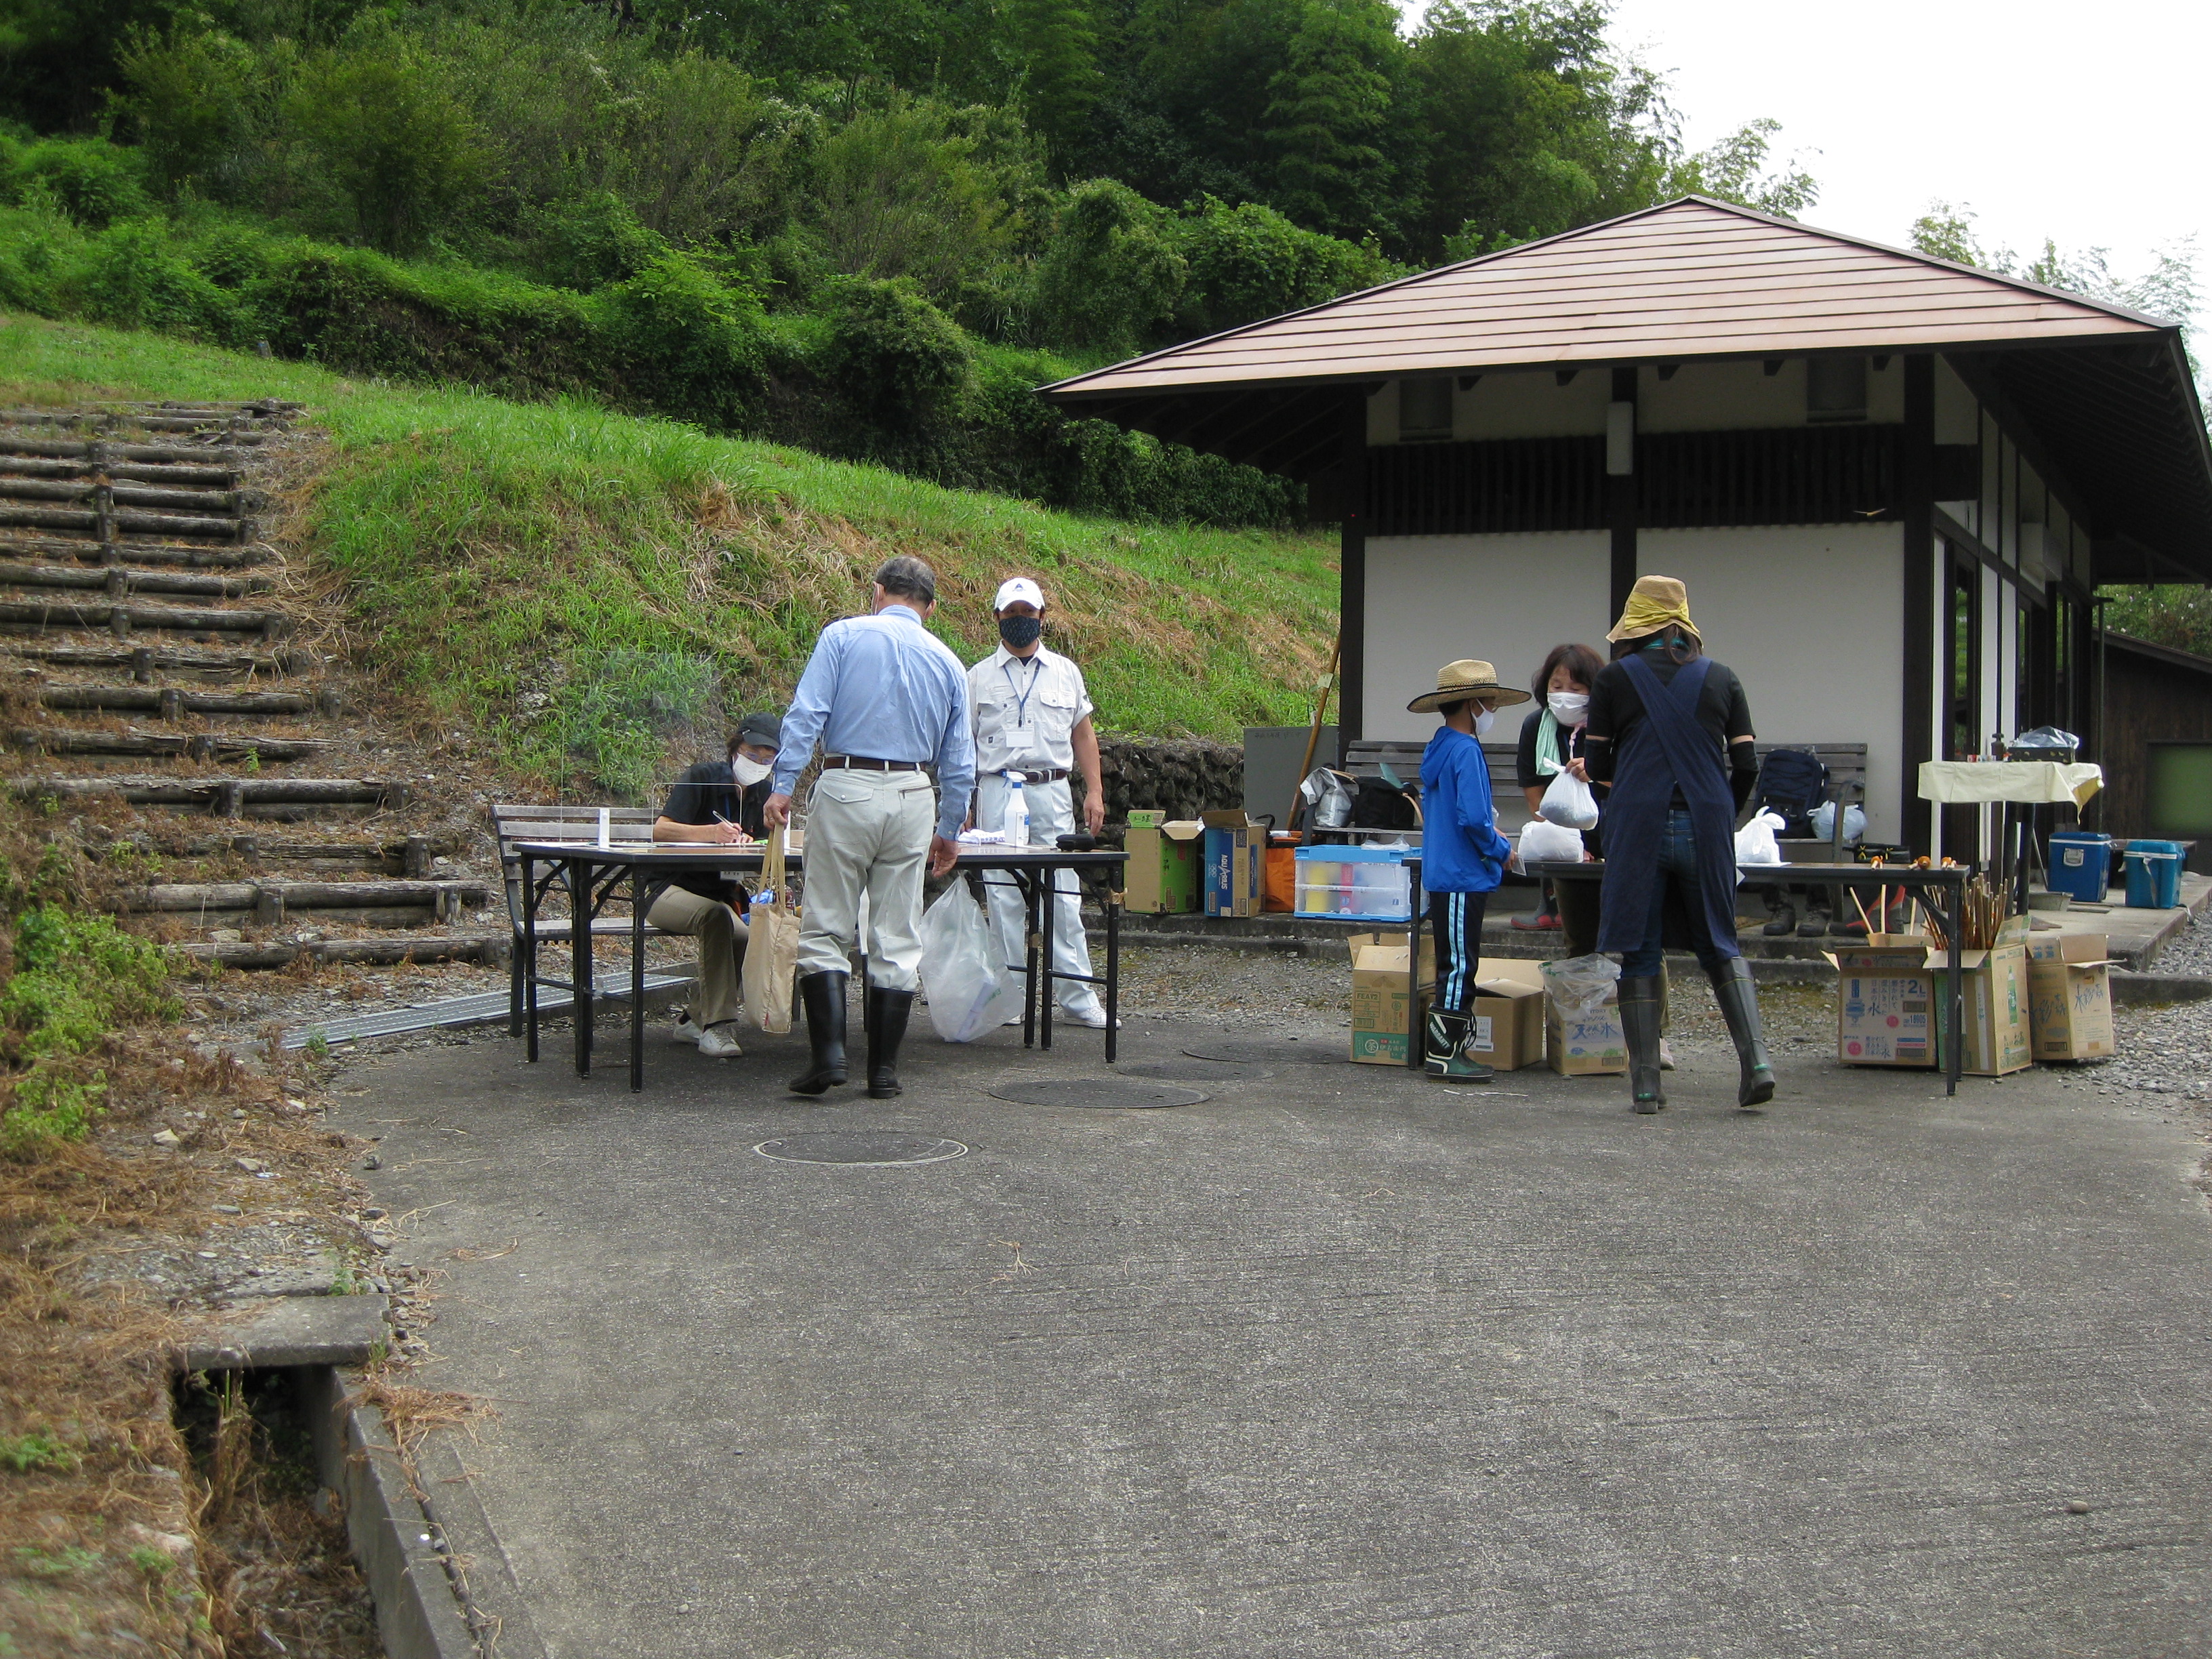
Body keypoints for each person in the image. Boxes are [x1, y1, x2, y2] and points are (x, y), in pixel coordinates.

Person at [765, 556, 975, 1099]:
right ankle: (883, 1071)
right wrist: (949, 825)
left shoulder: (842, 637)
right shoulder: (949, 661)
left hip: (847, 782)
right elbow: (960, 758)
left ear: (877, 591)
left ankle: (829, 1058)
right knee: (897, 931)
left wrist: (783, 783)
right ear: (929, 606)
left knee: (827, 922)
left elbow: (806, 713)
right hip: (913, 792)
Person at [1583, 575, 1774, 1114]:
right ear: (1682, 623)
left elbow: (1597, 766)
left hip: (1640, 822)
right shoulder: (1724, 679)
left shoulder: (1615, 679)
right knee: (1720, 942)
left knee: (1640, 948)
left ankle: (1646, 1086)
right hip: (1707, 821)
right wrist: (1716, 807)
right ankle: (1757, 1063)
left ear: (1635, 627)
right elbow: (1748, 766)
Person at [966, 576, 1114, 1029]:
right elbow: (963, 744)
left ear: (1042, 617)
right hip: (996, 789)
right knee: (1004, 894)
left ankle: (1077, 995)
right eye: (1011, 615)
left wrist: (1094, 790)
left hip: (1051, 791)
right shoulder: (977, 677)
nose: (1020, 622)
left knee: (1064, 896)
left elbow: (1083, 733)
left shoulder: (1066, 672)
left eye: (1027, 614)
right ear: (996, 618)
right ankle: (1013, 995)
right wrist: (964, 803)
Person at [1410, 659, 1528, 1082]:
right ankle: (1446, 1055)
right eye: (1491, 701)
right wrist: (1501, 849)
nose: (1494, 708)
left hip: (1443, 871)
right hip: (1463, 874)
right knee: (1460, 965)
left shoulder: (1439, 746)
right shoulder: (1467, 750)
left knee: (1451, 960)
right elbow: (1475, 818)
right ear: (1472, 704)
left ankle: (1445, 1051)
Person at [648, 711, 783, 1060]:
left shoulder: (764, 794)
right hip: (667, 889)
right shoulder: (702, 778)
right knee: (716, 919)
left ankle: (692, 1020)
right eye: (752, 755)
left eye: (767, 759)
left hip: (723, 895)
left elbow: (768, 844)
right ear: (736, 747)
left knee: (750, 936)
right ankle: (717, 1026)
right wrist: (709, 833)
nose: (758, 763)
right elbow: (661, 830)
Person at [1512, 642, 1605, 939]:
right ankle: (1551, 906)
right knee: (1549, 838)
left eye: (1577, 689)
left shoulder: (1609, 725)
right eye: (1557, 685)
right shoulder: (1535, 725)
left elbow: (1628, 779)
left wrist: (1596, 772)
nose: (1566, 694)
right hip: (1558, 824)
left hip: (1610, 821)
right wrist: (1564, 840)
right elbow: (1534, 793)